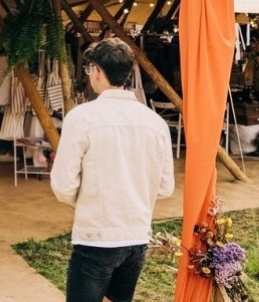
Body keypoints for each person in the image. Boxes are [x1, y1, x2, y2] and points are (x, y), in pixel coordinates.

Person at [50, 38, 175, 302]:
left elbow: (63, 185)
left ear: (96, 71)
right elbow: (165, 187)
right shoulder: (155, 122)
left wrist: (90, 201)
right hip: (136, 235)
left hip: (96, 235)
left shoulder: (82, 118)